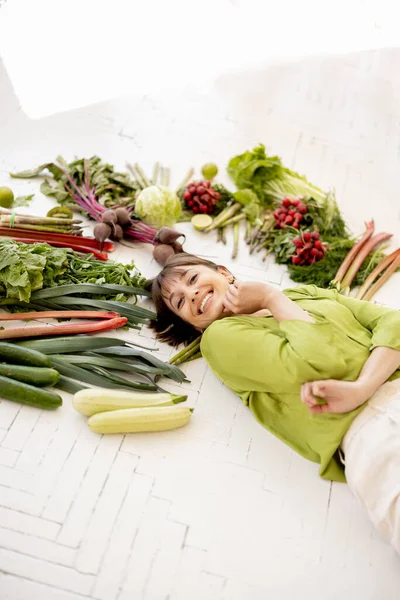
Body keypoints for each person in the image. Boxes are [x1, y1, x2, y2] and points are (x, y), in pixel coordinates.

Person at [145, 253, 400, 553]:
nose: (192, 294)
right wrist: (269, 297)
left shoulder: (298, 295)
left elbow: (392, 321)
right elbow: (321, 365)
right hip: (374, 432)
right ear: (192, 326)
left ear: (225, 273)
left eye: (192, 279)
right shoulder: (220, 339)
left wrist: (363, 385)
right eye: (180, 303)